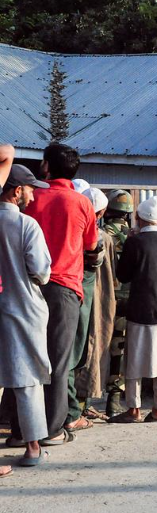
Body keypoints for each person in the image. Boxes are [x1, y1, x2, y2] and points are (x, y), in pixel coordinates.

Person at [20, 143, 98, 444]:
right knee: (58, 360)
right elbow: (91, 246)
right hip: (65, 287)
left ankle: (21, 428)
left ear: (47, 167)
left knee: (25, 356)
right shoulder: (81, 203)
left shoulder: (31, 197)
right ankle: (52, 429)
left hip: (28, 286)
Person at [110, 197, 157, 423]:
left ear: (138, 218)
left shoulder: (135, 243)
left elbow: (123, 275)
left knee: (134, 361)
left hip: (142, 311)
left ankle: (133, 409)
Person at [0, 164, 52, 472]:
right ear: (16, 191)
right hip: (22, 309)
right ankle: (33, 448)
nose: (33, 196)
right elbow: (42, 273)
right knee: (27, 379)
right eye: (30, 189)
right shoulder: (26, 226)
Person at [73, 188, 116, 421]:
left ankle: (79, 405)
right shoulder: (103, 238)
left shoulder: (74, 232)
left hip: (79, 296)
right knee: (91, 346)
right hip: (98, 297)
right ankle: (79, 406)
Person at [102, 188, 133, 417]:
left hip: (104, 300)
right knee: (119, 351)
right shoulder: (135, 236)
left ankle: (81, 402)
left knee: (93, 348)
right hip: (127, 301)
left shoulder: (100, 234)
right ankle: (114, 400)